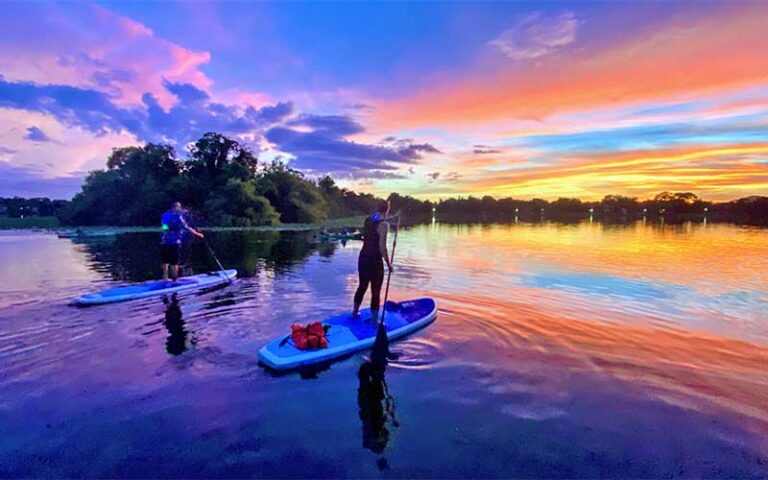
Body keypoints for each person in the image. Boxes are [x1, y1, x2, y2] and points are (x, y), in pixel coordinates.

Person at [353, 200, 393, 322]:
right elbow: (382, 247)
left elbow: (366, 235)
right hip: (375, 260)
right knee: (375, 290)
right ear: (387, 209)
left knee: (362, 285)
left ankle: (355, 312)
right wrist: (388, 264)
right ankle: (375, 321)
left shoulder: (369, 219)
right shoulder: (384, 225)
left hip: (363, 257)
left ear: (377, 207)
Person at [160, 202, 204, 281]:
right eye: (179, 207)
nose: (180, 209)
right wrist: (197, 234)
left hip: (164, 241)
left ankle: (165, 277)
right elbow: (187, 227)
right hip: (174, 242)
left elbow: (164, 226)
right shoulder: (178, 216)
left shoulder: (165, 214)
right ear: (175, 207)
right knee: (174, 261)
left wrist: (166, 230)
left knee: (165, 260)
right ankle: (175, 279)